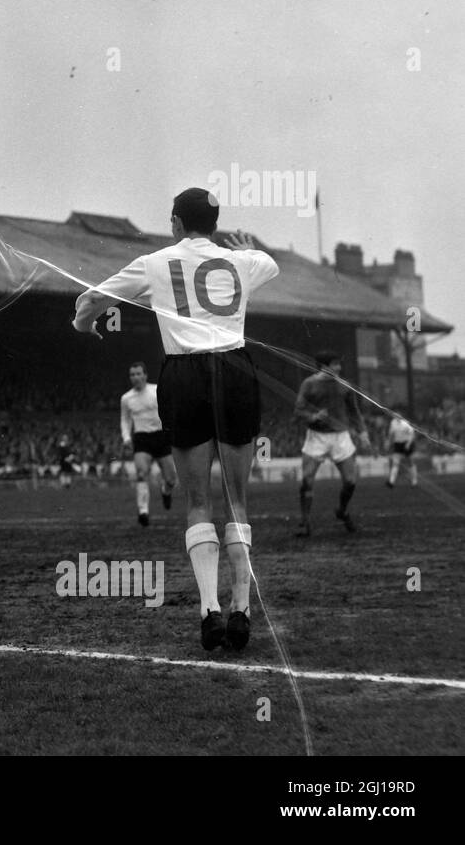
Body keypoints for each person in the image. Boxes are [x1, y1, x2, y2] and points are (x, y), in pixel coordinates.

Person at [73, 187, 279, 652]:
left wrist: (83, 324)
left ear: (176, 222)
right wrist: (241, 251)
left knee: (197, 501)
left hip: (183, 374)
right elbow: (269, 264)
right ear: (214, 223)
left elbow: (94, 298)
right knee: (238, 500)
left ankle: (209, 610)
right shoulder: (242, 263)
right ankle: (241, 610)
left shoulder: (155, 261)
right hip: (234, 368)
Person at [295, 352, 370, 535]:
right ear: (324, 366)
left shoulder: (345, 386)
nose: (339, 368)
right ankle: (305, 522)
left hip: (341, 437)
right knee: (307, 480)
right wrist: (313, 417)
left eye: (339, 364)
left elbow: (354, 412)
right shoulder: (309, 384)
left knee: (351, 481)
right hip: (317, 437)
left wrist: (363, 432)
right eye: (335, 364)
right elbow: (298, 410)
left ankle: (342, 511)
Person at [120, 362, 176, 526]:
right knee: (141, 473)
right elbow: (125, 420)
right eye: (132, 374)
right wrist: (126, 438)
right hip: (142, 438)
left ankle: (166, 491)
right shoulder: (126, 398)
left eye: (138, 374)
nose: (135, 377)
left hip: (160, 437)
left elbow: (168, 410)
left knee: (171, 479)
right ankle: (143, 511)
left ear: (145, 375)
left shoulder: (156, 391)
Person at [386, 414, 418, 488]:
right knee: (395, 462)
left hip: (406, 443)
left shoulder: (406, 423)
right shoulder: (393, 423)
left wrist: (408, 444)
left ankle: (414, 481)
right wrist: (388, 442)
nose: (397, 416)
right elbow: (391, 434)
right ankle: (391, 482)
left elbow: (411, 435)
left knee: (411, 462)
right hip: (397, 444)